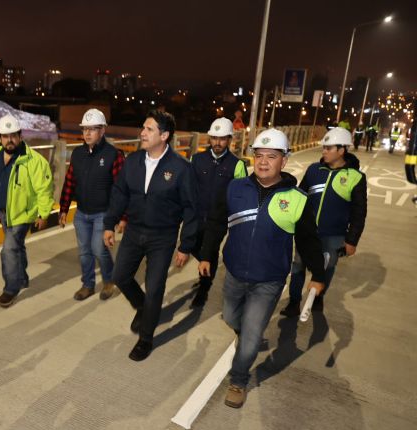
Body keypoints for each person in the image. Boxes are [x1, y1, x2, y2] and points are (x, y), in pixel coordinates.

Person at [199, 128, 326, 408]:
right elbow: (217, 224)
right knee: (232, 318)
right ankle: (243, 333)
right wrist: (207, 255)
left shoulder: (297, 199)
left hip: (268, 281)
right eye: (259, 155)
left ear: (284, 161)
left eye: (271, 156)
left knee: (252, 334)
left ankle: (239, 380)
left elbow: (308, 241)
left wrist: (318, 275)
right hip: (233, 272)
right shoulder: (235, 188)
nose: (264, 162)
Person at [103, 110, 199, 362]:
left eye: (149, 129)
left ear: (164, 136)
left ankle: (146, 339)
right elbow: (119, 193)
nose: (142, 133)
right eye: (142, 128)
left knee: (155, 287)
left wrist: (185, 245)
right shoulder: (133, 161)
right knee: (120, 276)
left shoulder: (180, 168)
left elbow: (191, 208)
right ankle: (144, 307)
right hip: (134, 231)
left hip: (163, 236)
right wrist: (109, 223)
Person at [281, 127, 367, 316]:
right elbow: (300, 196)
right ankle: (294, 302)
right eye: (324, 148)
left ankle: (318, 297)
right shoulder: (314, 170)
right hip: (306, 232)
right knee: (298, 266)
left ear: (342, 150)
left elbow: (359, 212)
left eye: (328, 148)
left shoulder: (355, 178)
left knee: (327, 268)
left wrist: (351, 241)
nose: (324, 151)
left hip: (334, 235)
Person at [0, 114, 54, 308]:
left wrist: (43, 214)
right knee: (17, 247)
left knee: (8, 249)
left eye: (13, 136)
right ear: (0, 137)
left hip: (23, 213)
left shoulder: (33, 160)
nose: (9, 140)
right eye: (5, 136)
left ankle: (11, 289)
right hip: (3, 212)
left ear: (20, 136)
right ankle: (23, 277)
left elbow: (44, 188)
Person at [59, 109, 125, 301]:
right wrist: (64, 208)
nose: (87, 133)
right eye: (85, 129)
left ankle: (109, 280)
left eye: (92, 129)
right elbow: (70, 182)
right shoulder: (78, 154)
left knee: (99, 249)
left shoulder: (114, 155)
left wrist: (122, 216)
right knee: (85, 253)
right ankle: (87, 285)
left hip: (103, 214)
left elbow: (120, 190)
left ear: (102, 131)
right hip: (81, 214)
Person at [189, 117, 247, 308]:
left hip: (218, 220)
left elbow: (242, 196)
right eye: (214, 138)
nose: (217, 143)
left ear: (230, 139)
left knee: (210, 251)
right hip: (196, 217)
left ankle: (204, 289)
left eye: (222, 139)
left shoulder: (237, 165)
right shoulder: (196, 159)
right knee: (194, 247)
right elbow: (188, 188)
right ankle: (207, 270)